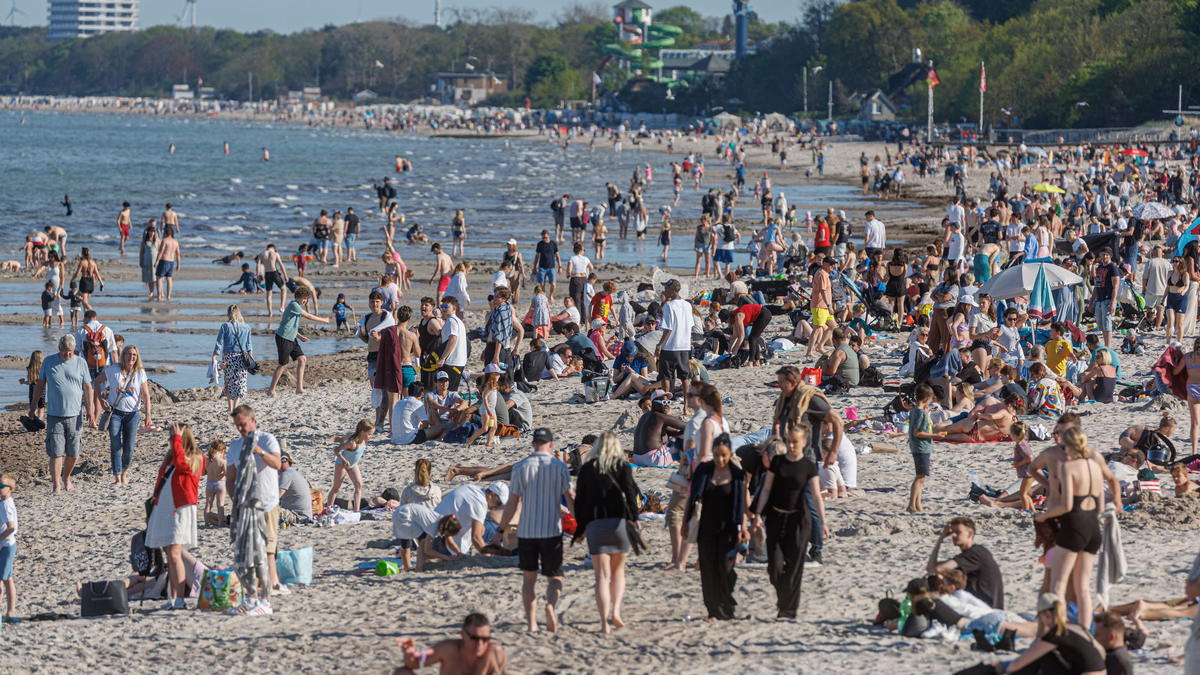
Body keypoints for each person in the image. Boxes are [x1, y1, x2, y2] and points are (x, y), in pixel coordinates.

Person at [492, 428, 572, 633]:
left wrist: (501, 531)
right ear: (551, 444)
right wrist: (580, 523)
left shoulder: (520, 467)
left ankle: (532, 624)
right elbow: (570, 498)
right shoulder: (559, 467)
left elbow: (512, 504)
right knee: (555, 577)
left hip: (527, 531)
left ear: (533, 444)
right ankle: (550, 606)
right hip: (551, 530)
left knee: (529, 580)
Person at [751, 425, 828, 621]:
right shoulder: (778, 462)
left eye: (795, 441)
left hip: (799, 521)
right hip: (776, 518)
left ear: (803, 442)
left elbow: (817, 497)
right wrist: (758, 513)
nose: (791, 445)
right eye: (789, 441)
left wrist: (823, 522)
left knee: (794, 568)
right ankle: (783, 598)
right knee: (774, 567)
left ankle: (787, 610)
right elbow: (766, 489)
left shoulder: (808, 466)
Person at [1036, 426, 1106, 630]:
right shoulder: (1095, 465)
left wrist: (1043, 515)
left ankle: (1058, 630)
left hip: (1074, 526)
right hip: (1093, 527)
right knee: (1083, 587)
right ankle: (1085, 632)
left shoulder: (1069, 467)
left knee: (1058, 584)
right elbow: (1100, 506)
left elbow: (1065, 505)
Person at [572, 431, 640, 633]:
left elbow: (581, 501)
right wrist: (634, 519)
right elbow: (630, 494)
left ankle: (603, 623)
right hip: (618, 522)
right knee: (618, 572)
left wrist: (580, 529)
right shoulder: (622, 466)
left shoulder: (587, 469)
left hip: (595, 525)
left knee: (601, 576)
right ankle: (616, 612)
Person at [226, 405, 285, 614]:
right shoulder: (234, 447)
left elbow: (278, 464)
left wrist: (258, 451)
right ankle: (251, 599)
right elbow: (230, 480)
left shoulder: (267, 440)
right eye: (237, 426)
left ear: (253, 420)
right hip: (246, 508)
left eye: (243, 424)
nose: (241, 429)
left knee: (267, 553)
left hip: (267, 505)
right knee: (247, 555)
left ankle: (266, 601)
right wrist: (237, 502)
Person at [684, 433, 748, 621]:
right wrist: (685, 522)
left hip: (729, 528)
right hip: (706, 527)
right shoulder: (703, 470)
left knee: (726, 569)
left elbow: (742, 506)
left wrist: (743, 529)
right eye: (717, 454)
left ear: (730, 455)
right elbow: (692, 497)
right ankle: (713, 611)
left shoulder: (737, 475)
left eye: (724, 455)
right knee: (708, 569)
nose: (720, 459)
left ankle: (727, 602)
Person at [145, 423, 205, 611]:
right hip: (165, 509)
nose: (171, 440)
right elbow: (161, 482)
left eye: (175, 437)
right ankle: (173, 597)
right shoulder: (172, 457)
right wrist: (153, 508)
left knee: (174, 553)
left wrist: (177, 439)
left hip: (180, 509)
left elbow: (181, 464)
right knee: (169, 555)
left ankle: (178, 600)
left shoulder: (196, 457)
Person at [31, 334, 92, 494]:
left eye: (70, 351)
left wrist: (90, 411)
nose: (68, 354)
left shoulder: (81, 363)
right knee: (56, 452)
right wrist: (33, 408)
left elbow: (87, 388)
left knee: (74, 451)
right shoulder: (49, 362)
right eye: (65, 351)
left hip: (75, 415)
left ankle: (67, 477)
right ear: (59, 348)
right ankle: (56, 484)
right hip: (54, 415)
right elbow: (40, 386)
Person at [93, 345, 152, 485]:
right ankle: (117, 477)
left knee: (129, 446)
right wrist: (101, 399)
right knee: (115, 444)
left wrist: (148, 414)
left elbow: (146, 395)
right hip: (115, 413)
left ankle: (124, 472)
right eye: (129, 354)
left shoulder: (140, 373)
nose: (131, 357)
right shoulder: (113, 370)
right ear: (123, 355)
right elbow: (96, 382)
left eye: (134, 355)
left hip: (133, 414)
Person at [927, 516, 1006, 610]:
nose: (953, 535)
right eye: (952, 532)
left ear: (970, 533)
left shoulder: (975, 553)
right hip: (982, 607)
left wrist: (941, 538)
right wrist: (941, 538)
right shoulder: (969, 555)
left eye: (958, 532)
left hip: (987, 610)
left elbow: (937, 569)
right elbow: (930, 568)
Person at [393, 613, 510, 675]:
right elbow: (414, 665)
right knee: (401, 673)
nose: (480, 644)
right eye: (475, 638)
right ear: (463, 634)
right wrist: (409, 653)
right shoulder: (448, 649)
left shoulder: (493, 652)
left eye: (485, 639)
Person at [267, 285, 329, 397]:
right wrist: (323, 319)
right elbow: (308, 316)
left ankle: (299, 388)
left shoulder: (296, 306)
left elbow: (291, 325)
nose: (305, 301)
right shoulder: (293, 305)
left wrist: (299, 336)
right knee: (283, 364)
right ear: (298, 296)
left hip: (292, 337)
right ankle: (271, 390)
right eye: (304, 298)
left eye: (307, 299)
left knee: (302, 359)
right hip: (283, 337)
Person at [434, 483, 508, 555]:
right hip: (443, 543)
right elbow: (476, 538)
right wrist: (489, 559)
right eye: (499, 503)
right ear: (491, 495)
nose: (498, 507)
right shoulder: (480, 503)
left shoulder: (473, 489)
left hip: (432, 531)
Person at [326, 420, 375, 512]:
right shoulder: (352, 442)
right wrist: (343, 460)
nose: (371, 436)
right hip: (341, 464)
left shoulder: (363, 440)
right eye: (369, 434)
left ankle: (356, 511)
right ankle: (329, 509)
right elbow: (336, 450)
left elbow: (342, 438)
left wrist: (338, 438)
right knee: (336, 488)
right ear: (362, 432)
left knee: (359, 485)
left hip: (352, 464)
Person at [213, 305, 254, 413]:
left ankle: (231, 407)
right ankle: (235, 406)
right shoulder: (247, 327)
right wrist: (251, 358)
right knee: (240, 382)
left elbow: (219, 342)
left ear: (229, 314)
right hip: (242, 357)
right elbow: (249, 345)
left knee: (229, 382)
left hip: (228, 357)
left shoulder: (225, 326)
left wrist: (215, 355)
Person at [657, 279, 693, 397]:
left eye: (666, 288)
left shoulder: (669, 305)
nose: (664, 290)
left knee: (666, 376)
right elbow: (690, 327)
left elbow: (668, 329)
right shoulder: (688, 305)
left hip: (670, 346)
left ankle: (666, 403)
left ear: (672, 291)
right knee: (684, 377)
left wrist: (659, 345)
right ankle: (686, 407)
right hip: (684, 346)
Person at [1093, 247, 1120, 348]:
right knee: (1102, 325)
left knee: (1107, 325)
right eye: (1103, 254)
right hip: (1099, 299)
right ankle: (1106, 345)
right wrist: (1092, 301)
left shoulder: (1112, 268)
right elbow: (1097, 286)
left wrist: (1113, 302)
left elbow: (1116, 286)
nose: (1104, 256)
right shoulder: (1099, 268)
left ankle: (1108, 347)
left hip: (1108, 299)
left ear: (1110, 256)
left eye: (1106, 255)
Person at [0, 473, 18, 622]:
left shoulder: (5, 505)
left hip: (7, 546)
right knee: (8, 580)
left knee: (2, 581)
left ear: (10, 488)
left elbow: (11, 528)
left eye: (1, 486)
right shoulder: (7, 502)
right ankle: (10, 613)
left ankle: (6, 614)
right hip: (8, 545)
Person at [278, 452, 313, 525]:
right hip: (305, 516)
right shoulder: (293, 472)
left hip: (297, 516)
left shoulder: (286, 475)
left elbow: (275, 498)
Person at [69, 247, 104, 312]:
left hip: (84, 282)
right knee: (86, 301)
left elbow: (77, 273)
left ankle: (92, 312)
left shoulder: (82, 262)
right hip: (91, 282)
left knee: (84, 301)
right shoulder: (93, 262)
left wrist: (71, 280)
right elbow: (97, 274)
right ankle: (86, 317)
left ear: (82, 254)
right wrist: (101, 283)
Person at [260, 243, 290, 317]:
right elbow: (281, 265)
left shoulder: (262, 254)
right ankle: (282, 307)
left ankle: (270, 313)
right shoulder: (275, 253)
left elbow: (258, 265)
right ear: (274, 248)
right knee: (283, 289)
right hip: (274, 273)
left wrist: (258, 275)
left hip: (267, 274)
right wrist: (285, 275)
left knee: (269, 294)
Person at [532, 229, 561, 303]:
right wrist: (534, 267)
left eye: (545, 237)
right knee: (542, 284)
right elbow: (536, 256)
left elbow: (557, 256)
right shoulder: (540, 244)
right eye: (543, 237)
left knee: (553, 284)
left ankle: (551, 295)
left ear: (548, 236)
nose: (544, 238)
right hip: (542, 267)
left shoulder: (553, 244)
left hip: (551, 267)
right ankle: (544, 296)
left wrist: (560, 267)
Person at [204, 441, 228, 526]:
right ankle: (220, 523)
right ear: (222, 451)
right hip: (220, 483)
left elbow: (203, 473)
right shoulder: (223, 461)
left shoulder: (207, 461)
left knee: (208, 504)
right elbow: (226, 474)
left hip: (209, 483)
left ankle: (206, 523)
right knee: (220, 505)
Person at [154, 228, 181, 301]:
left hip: (164, 261)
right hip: (171, 262)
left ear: (165, 233)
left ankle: (159, 295)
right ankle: (168, 296)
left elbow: (161, 252)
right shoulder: (176, 242)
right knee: (169, 278)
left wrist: (156, 261)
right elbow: (178, 254)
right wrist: (178, 264)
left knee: (159, 278)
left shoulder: (165, 240)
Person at [139, 226, 159, 299]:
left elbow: (160, 250)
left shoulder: (157, 240)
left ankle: (160, 292)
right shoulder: (144, 240)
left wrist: (159, 260)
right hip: (147, 260)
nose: (152, 233)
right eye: (151, 231)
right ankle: (151, 292)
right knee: (150, 277)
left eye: (153, 231)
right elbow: (141, 251)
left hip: (155, 261)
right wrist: (140, 260)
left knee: (157, 277)